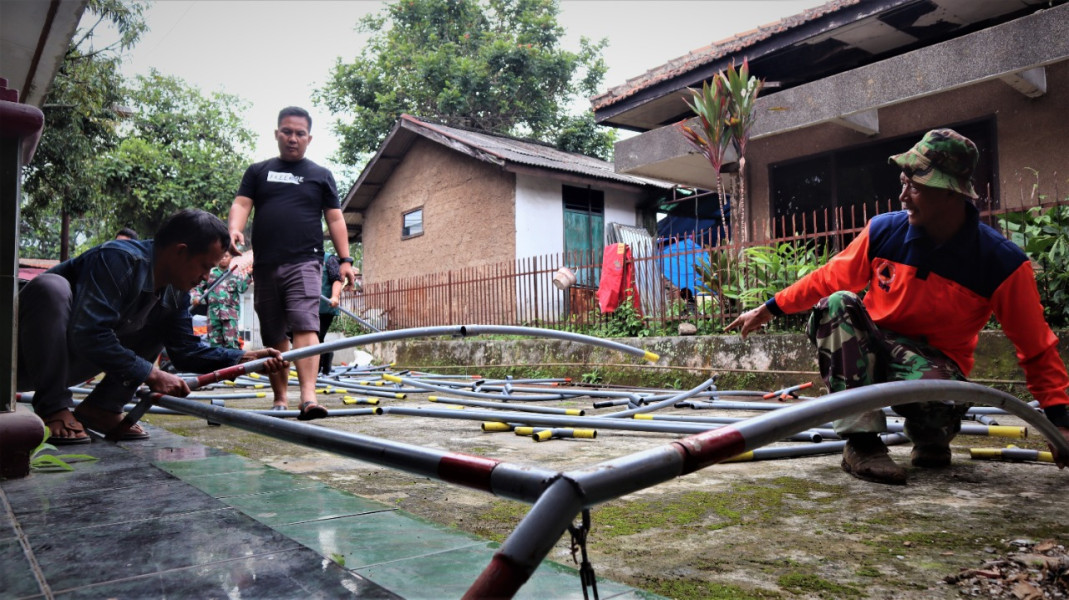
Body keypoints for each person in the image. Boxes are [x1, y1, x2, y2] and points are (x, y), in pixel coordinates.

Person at [727, 128, 1069, 485]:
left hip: (934, 366)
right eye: (903, 182)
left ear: (952, 193)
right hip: (873, 345)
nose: (903, 196)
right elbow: (827, 279)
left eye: (916, 187)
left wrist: (1060, 422)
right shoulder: (884, 231)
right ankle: (862, 444)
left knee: (938, 412)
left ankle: (932, 434)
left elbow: (1036, 348)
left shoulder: (1000, 263)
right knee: (838, 303)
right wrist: (768, 309)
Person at [16, 209, 287, 444]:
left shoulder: (176, 291)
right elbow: (89, 332)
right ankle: (53, 407)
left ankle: (103, 408)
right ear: (180, 251)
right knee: (50, 287)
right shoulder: (117, 259)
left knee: (158, 317)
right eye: (205, 267)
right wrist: (152, 374)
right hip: (20, 360)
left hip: (72, 362)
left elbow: (185, 350)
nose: (206, 278)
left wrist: (242, 359)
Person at [228, 106, 355, 418]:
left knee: (305, 322)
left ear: (309, 138)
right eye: (287, 131)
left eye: (300, 133)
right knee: (273, 334)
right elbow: (242, 203)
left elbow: (335, 218)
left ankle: (308, 397)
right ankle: (280, 397)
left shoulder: (320, 175)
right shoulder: (258, 172)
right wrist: (234, 229)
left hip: (305, 261)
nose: (293, 138)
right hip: (267, 264)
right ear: (277, 134)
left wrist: (345, 260)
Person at [191, 252, 251, 350]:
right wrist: (196, 298)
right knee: (215, 345)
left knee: (231, 345)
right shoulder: (210, 273)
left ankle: (232, 365)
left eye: (226, 256)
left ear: (231, 258)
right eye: (221, 256)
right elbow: (198, 288)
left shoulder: (236, 274)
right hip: (213, 315)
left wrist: (249, 275)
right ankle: (218, 365)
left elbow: (242, 289)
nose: (223, 258)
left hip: (230, 316)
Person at [317, 252, 344, 376]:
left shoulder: (329, 259)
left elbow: (337, 279)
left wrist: (335, 296)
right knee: (307, 337)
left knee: (317, 337)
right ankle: (326, 353)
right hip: (307, 307)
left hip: (325, 307)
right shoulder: (301, 256)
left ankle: (317, 371)